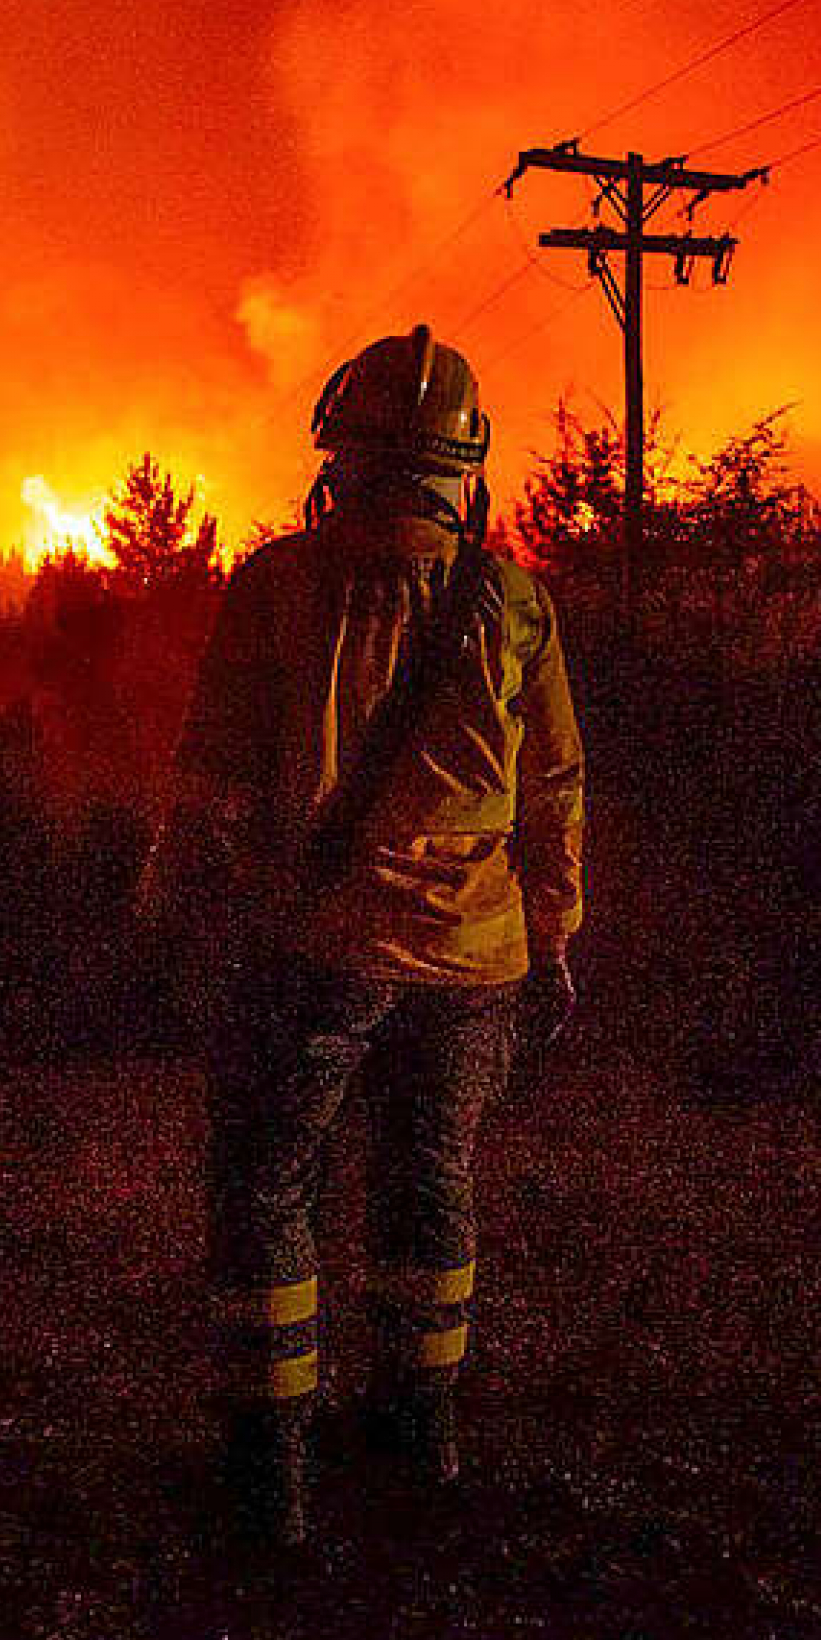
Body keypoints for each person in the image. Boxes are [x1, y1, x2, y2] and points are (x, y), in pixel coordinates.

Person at [141, 323, 585, 1548]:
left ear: (338, 452)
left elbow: (211, 778)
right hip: (474, 961)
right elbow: (553, 791)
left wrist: (170, 906)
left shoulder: (277, 586)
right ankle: (417, 1434)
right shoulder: (516, 606)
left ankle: (268, 1474)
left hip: (314, 952)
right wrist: (551, 938)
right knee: (427, 1183)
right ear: (465, 467)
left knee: (269, 1187)